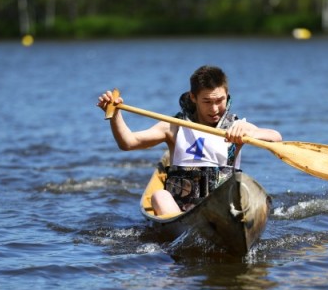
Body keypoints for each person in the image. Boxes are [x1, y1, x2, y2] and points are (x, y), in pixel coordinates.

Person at [96, 65, 282, 216]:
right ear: (193, 98)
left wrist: (252, 134)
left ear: (227, 95)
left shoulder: (238, 127)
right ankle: (180, 228)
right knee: (159, 196)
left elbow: (276, 138)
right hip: (181, 211)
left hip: (223, 210)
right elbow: (128, 143)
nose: (215, 109)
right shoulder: (174, 126)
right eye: (207, 102)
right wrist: (115, 115)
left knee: (248, 191)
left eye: (220, 100)